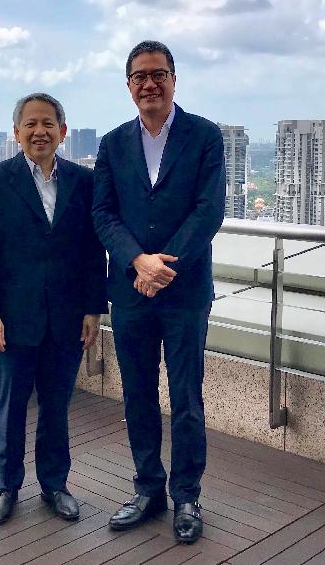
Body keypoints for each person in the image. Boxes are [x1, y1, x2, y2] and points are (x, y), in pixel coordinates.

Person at [92, 40, 225, 544]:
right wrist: (137, 261)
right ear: (129, 86)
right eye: (139, 76)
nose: (149, 83)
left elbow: (208, 209)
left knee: (187, 397)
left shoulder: (205, 136)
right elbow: (103, 213)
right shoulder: (112, 143)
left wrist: (164, 265)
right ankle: (148, 489)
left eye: (158, 74)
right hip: (130, 292)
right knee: (138, 395)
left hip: (184, 291)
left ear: (174, 78)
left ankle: (187, 496)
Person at [0, 92, 108, 525]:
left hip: (67, 317)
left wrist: (93, 308)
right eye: (30, 124)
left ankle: (55, 485)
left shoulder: (82, 182)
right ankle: (6, 485)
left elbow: (92, 251)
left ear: (62, 132)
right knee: (10, 407)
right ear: (16, 133)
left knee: (56, 406)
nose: (39, 131)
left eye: (48, 123)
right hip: (12, 317)